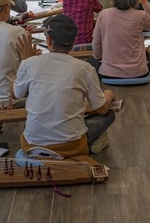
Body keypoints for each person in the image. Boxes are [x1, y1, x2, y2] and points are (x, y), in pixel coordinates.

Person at [13, 15, 116, 157]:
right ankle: (90, 142)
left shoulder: (29, 63)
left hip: (32, 145)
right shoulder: (85, 68)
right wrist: (109, 95)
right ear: (74, 41)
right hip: (70, 148)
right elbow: (102, 108)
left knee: (33, 119)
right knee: (108, 114)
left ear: (49, 40)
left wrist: (24, 61)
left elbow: (16, 94)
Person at [91, 0, 150, 79]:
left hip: (109, 72)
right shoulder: (141, 15)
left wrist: (101, 58)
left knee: (91, 61)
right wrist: (145, 2)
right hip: (138, 72)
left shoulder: (103, 14)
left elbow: (96, 43)